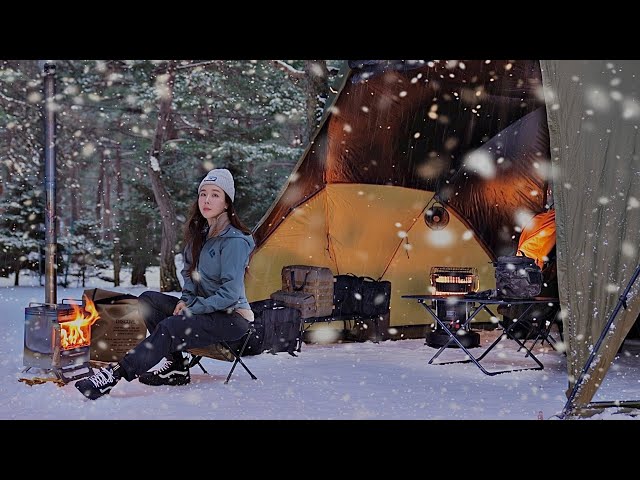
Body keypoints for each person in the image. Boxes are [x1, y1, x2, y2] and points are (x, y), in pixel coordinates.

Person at [75, 168, 255, 400]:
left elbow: (230, 294)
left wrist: (193, 309)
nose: (207, 200)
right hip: (204, 310)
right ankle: (177, 366)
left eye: (215, 194)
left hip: (232, 318)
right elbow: (191, 279)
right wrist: (185, 301)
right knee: (149, 301)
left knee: (171, 326)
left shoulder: (234, 241)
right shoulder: (200, 235)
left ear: (227, 203)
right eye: (203, 194)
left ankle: (115, 374)